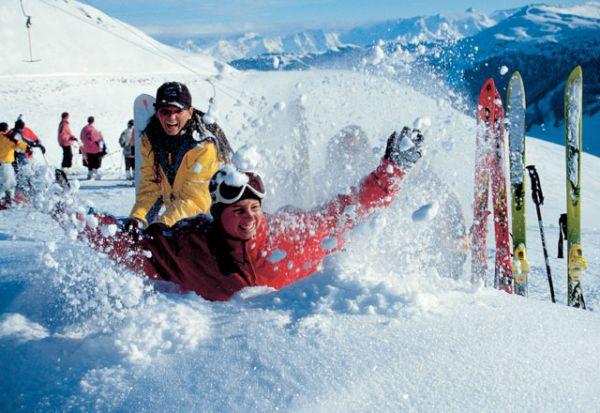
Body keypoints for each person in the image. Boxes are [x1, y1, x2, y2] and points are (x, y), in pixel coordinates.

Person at [86, 127, 423, 301]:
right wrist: (65, 210)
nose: (248, 217)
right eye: (237, 211)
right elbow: (125, 242)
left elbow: (347, 211)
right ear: (218, 214)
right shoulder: (191, 245)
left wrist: (392, 171)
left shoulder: (291, 235)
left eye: (254, 208)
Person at [129, 81, 232, 227]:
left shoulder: (203, 144)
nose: (171, 117)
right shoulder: (151, 138)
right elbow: (151, 187)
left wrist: (163, 225)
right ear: (157, 112)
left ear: (190, 112)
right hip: (180, 218)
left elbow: (195, 201)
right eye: (165, 111)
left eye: (178, 111)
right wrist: (138, 220)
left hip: (214, 220)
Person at [8, 118, 45, 199]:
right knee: (22, 174)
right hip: (17, 157)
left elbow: (27, 141)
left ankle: (23, 193)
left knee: (22, 174)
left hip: (18, 157)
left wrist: (38, 145)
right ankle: (20, 194)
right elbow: (21, 144)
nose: (23, 130)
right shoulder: (15, 135)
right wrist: (29, 147)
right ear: (20, 127)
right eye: (22, 128)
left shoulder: (14, 133)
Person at [0, 122, 29, 207]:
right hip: (5, 163)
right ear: (5, 129)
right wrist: (27, 147)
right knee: (7, 183)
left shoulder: (4, 137)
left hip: (5, 163)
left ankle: (7, 200)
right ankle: (7, 200)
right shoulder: (6, 138)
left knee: (9, 182)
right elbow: (18, 144)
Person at [80, 116, 107, 180]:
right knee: (96, 162)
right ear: (93, 121)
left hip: (86, 148)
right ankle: (96, 173)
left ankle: (90, 174)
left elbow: (81, 138)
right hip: (94, 149)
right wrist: (100, 135)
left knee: (89, 162)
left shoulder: (83, 129)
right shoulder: (93, 130)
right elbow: (97, 139)